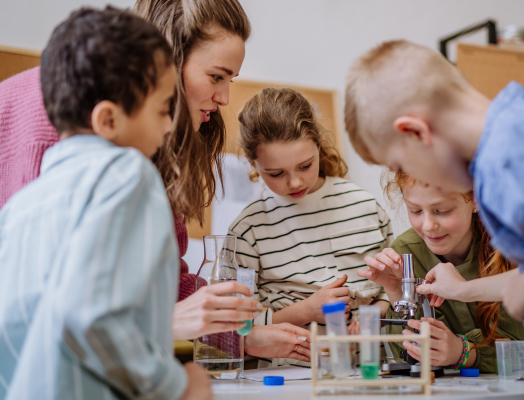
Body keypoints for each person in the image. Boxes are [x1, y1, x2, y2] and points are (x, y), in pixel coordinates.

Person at [0, 0, 309, 359]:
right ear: (169, 60)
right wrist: (165, 326)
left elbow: (163, 284)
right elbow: (40, 310)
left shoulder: (150, 140)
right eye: (216, 76)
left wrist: (243, 337)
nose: (224, 98)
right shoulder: (48, 122)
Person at [344, 39, 524, 399]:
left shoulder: (515, 153)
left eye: (401, 164)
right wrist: (463, 291)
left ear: (416, 133)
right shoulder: (517, 133)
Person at [0, 8, 210, 400]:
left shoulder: (20, 207)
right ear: (108, 120)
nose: (169, 126)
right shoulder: (130, 173)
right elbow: (93, 318)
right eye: (164, 109)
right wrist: (177, 385)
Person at [229, 88, 393, 337]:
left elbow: (394, 288)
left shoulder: (364, 206)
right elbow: (239, 326)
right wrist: (305, 311)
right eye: (276, 173)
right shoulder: (247, 230)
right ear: (252, 164)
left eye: (305, 166)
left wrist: (375, 315)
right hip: (289, 370)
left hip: (370, 366)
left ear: (319, 145)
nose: (295, 182)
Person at [361, 172, 524, 372]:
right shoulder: (405, 253)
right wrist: (397, 292)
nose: (428, 226)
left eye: (443, 210)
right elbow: (407, 357)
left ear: (476, 199)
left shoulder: (511, 247)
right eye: (415, 210)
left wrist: (463, 353)